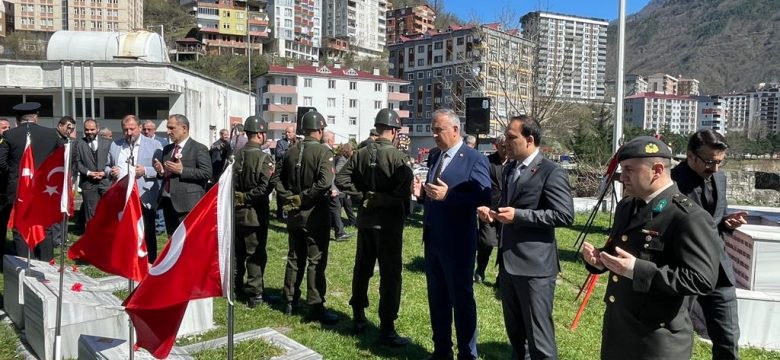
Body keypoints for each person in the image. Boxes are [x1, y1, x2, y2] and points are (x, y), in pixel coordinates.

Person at [582, 136, 720, 360]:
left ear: (656, 170)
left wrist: (637, 270)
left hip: (657, 339)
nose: (621, 177)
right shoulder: (627, 205)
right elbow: (622, 249)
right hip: (620, 330)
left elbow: (701, 279)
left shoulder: (688, 217)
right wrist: (600, 260)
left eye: (629, 170)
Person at [478, 116, 574, 359]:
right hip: (508, 265)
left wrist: (519, 216)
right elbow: (508, 208)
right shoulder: (510, 169)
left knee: (539, 341)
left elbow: (564, 215)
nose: (504, 142)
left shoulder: (551, 172)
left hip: (535, 269)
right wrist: (493, 215)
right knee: (516, 337)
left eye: (511, 137)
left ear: (529, 140)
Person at [412, 108, 491, 360]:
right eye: (433, 129)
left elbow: (483, 196)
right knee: (437, 299)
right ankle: (442, 350)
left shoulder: (474, 159)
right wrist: (423, 194)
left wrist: (450, 196)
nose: (434, 135)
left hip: (458, 243)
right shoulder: (435, 156)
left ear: (455, 130)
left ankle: (468, 354)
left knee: (461, 300)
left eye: (439, 130)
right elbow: (436, 194)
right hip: (434, 239)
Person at [335, 108, 414, 346]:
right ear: (392, 131)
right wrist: (380, 198)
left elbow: (340, 179)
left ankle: (358, 317)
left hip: (366, 221)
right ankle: (387, 328)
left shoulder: (359, 153)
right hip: (389, 223)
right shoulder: (398, 158)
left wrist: (363, 196)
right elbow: (403, 192)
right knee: (390, 276)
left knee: (362, 269)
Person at [671, 129, 744, 360]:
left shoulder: (719, 179)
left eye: (720, 162)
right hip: (683, 269)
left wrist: (727, 223)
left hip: (719, 269)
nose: (715, 168)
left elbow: (713, 221)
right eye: (709, 162)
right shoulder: (671, 182)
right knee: (677, 335)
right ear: (690, 155)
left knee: (728, 338)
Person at [276, 110, 339, 325]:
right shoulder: (323, 152)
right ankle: (315, 305)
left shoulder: (291, 151)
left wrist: (290, 198)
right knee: (315, 260)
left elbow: (278, 180)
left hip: (295, 214)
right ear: (320, 130)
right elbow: (324, 182)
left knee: (294, 257)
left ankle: (289, 300)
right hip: (315, 214)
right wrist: (304, 199)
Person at [0, 102, 59, 260]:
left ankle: (25, 264)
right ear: (36, 117)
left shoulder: (9, 135)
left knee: (20, 226)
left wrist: (15, 173)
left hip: (19, 187)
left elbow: (2, 163)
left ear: (18, 120)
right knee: (44, 226)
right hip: (45, 188)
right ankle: (46, 264)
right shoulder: (52, 134)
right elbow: (62, 160)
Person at [233, 116, 278, 308]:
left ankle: (234, 288)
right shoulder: (263, 157)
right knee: (255, 254)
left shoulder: (237, 155)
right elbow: (265, 187)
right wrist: (247, 197)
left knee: (238, 254)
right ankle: (255, 294)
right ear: (260, 134)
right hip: (254, 214)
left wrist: (239, 197)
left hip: (236, 213)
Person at [106, 115, 163, 263]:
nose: (129, 133)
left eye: (132, 129)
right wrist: (110, 172)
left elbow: (161, 171)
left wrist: (145, 171)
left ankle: (149, 262)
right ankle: (125, 260)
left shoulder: (154, 145)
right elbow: (106, 166)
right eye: (125, 130)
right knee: (124, 231)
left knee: (147, 231)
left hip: (143, 196)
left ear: (139, 128)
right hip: (122, 195)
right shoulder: (115, 145)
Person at [153, 114, 212, 235]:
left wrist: (182, 171)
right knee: (172, 242)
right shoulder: (167, 149)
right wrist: (161, 172)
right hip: (168, 203)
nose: (168, 131)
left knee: (190, 241)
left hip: (188, 204)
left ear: (184, 128)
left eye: (171, 128)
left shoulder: (199, 148)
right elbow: (168, 174)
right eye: (167, 128)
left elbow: (207, 173)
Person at [474, 135, 508, 285]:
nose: (506, 149)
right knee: (487, 242)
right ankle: (480, 270)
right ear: (496, 145)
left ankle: (501, 276)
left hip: (507, 211)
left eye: (508, 146)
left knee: (504, 245)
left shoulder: (515, 163)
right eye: (503, 146)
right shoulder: (487, 161)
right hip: (488, 209)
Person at [75, 119, 111, 222]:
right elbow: (77, 162)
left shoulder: (108, 143)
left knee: (108, 211)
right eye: (87, 130)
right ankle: (92, 236)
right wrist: (88, 172)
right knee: (91, 214)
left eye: (92, 129)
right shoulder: (79, 143)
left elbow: (113, 161)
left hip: (106, 183)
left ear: (98, 129)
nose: (89, 132)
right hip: (88, 183)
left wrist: (104, 173)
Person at [141, 120, 168, 235]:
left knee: (159, 201)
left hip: (159, 176)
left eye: (149, 129)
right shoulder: (140, 141)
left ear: (155, 130)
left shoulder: (162, 142)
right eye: (144, 129)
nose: (146, 132)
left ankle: (160, 226)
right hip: (144, 178)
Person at [323, 130, 349, 241]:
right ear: (330, 140)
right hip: (329, 186)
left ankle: (336, 231)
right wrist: (333, 188)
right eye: (333, 140)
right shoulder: (327, 151)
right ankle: (339, 233)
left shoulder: (321, 150)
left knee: (330, 209)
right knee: (336, 207)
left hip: (325, 187)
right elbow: (330, 173)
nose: (334, 142)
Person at [274, 126, 296, 220]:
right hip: (282, 170)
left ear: (294, 133)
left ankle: (290, 212)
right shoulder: (281, 142)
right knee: (281, 193)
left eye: (289, 132)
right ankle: (280, 213)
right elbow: (278, 154)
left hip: (293, 171)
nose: (287, 134)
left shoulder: (297, 142)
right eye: (286, 132)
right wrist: (289, 152)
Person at [334, 143, 356, 227]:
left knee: (347, 205)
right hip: (341, 187)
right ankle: (339, 224)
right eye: (352, 150)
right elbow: (338, 171)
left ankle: (352, 222)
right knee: (342, 206)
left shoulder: (344, 158)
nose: (353, 152)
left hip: (342, 188)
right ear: (348, 150)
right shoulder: (342, 159)